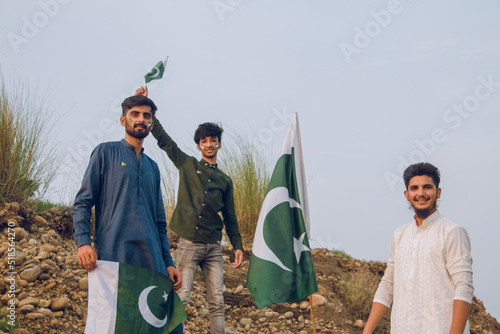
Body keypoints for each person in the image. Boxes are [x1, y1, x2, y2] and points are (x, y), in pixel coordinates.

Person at [136, 86, 244, 334]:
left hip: (213, 247)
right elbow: (164, 140)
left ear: (218, 144)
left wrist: (237, 245)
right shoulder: (187, 164)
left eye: (213, 140)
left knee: (217, 301)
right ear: (198, 146)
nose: (208, 144)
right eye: (204, 141)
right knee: (180, 297)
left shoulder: (225, 181)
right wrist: (148, 104)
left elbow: (230, 217)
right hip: (188, 244)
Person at [71, 95, 182, 290]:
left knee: (156, 317)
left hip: (152, 257)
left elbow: (159, 222)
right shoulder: (105, 152)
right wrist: (83, 243)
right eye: (134, 114)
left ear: (151, 124)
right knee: (116, 318)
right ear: (123, 120)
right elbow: (83, 202)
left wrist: (168, 262)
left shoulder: (153, 167)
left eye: (146, 116)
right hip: (114, 252)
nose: (141, 119)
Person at [363, 162, 474, 334]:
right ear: (407, 194)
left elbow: (463, 287)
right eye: (414, 188)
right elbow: (387, 285)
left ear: (438, 192)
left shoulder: (451, 231)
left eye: (427, 187)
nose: (421, 193)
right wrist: (367, 331)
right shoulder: (400, 234)